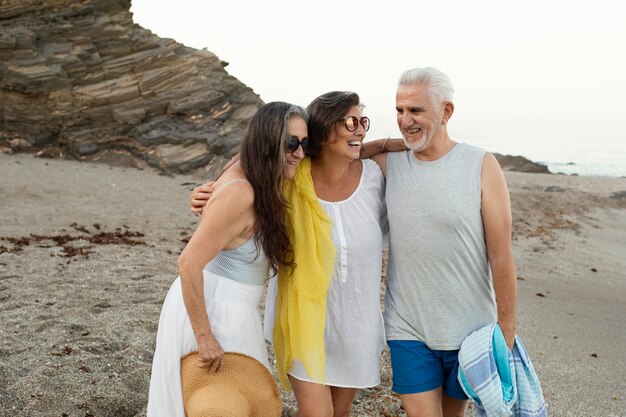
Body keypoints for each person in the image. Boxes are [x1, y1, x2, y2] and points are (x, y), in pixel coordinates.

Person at [190, 91, 395, 417]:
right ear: (325, 129)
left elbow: (420, 158)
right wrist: (211, 190)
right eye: (351, 122)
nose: (360, 130)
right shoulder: (291, 175)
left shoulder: (376, 176)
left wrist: (385, 143)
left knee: (338, 414)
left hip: (356, 322)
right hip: (302, 319)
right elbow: (251, 160)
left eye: (364, 122)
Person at [370, 67, 518, 417]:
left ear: (446, 111)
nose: (405, 120)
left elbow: (501, 256)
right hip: (408, 327)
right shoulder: (389, 163)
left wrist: (506, 333)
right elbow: (330, 151)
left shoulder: (481, 164)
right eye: (399, 110)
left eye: (416, 111)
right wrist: (227, 179)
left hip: (471, 332)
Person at [146, 101, 308, 417]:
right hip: (210, 311)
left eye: (305, 143)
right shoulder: (242, 192)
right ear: (267, 141)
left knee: (236, 401)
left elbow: (337, 151)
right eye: (291, 143)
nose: (300, 153)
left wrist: (393, 145)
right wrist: (203, 337)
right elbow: (188, 262)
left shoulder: (256, 171)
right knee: (214, 403)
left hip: (236, 312)